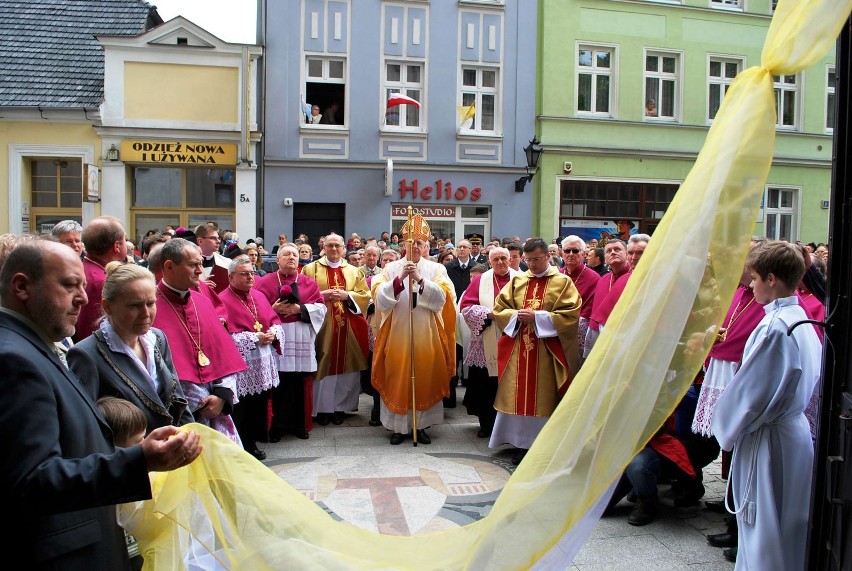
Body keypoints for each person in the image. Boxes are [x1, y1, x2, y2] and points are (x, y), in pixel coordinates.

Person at [0, 239, 201, 569]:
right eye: (69, 285)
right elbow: (32, 480)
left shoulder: (30, 346)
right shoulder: (13, 358)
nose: (82, 296)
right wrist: (137, 459)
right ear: (22, 286)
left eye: (82, 285)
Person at [712, 240, 822, 571]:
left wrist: (725, 428)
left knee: (763, 530)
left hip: (769, 440)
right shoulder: (798, 314)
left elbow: (750, 395)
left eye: (755, 277)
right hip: (791, 434)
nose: (751, 284)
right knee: (788, 524)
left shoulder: (775, 327)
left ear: (772, 279)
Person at [68, 262, 194, 432]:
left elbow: (177, 398)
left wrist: (191, 437)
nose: (146, 313)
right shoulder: (86, 354)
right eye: (134, 305)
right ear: (107, 306)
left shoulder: (157, 338)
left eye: (150, 303)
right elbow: (87, 426)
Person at [489, 238, 581, 464]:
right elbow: (500, 308)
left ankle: (543, 444)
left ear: (548, 256)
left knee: (543, 396)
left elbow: (571, 314)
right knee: (517, 394)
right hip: (520, 348)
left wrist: (538, 317)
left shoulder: (563, 282)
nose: (532, 264)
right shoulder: (518, 280)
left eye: (537, 259)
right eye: (528, 260)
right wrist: (515, 316)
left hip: (546, 351)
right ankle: (519, 441)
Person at [371, 214, 457, 445]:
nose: (415, 247)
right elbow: (379, 297)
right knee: (398, 376)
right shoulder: (390, 268)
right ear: (403, 245)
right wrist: (400, 279)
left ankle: (423, 425)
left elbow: (445, 298)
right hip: (397, 332)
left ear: (427, 246)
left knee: (425, 375)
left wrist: (419, 279)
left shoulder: (437, 269)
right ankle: (398, 428)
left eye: (420, 243)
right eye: (411, 243)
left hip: (426, 334)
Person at [152, 238, 247, 444]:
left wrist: (222, 396)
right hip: (177, 421)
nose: (199, 270)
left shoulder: (203, 301)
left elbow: (224, 356)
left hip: (216, 413)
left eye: (200, 264)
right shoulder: (150, 308)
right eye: (193, 265)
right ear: (169, 266)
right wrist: (198, 402)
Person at [257, 243, 327, 440]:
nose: (291, 257)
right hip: (276, 338)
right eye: (286, 254)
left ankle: (300, 425)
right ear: (277, 260)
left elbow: (321, 309)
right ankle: (276, 426)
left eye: (295, 255)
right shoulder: (264, 282)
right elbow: (255, 310)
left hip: (301, 336)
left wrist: (300, 309)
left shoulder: (308, 283)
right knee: (278, 383)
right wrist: (273, 309)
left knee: (300, 383)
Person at [301, 233, 370, 425]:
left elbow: (365, 295)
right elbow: (302, 295)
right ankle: (323, 410)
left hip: (349, 326)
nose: (333, 249)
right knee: (324, 362)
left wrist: (347, 295)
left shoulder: (354, 271)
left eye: (337, 246)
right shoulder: (310, 269)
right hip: (323, 326)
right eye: (330, 245)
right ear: (323, 247)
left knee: (347, 366)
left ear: (343, 249)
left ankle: (341, 408)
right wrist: (322, 295)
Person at [220, 256, 284, 460]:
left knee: (258, 404)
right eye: (244, 274)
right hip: (242, 365)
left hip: (263, 360)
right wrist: (255, 337)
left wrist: (273, 333)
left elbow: (274, 321)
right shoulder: (222, 299)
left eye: (252, 273)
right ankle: (242, 444)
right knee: (243, 407)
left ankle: (253, 441)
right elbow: (224, 336)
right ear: (231, 277)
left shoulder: (259, 296)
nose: (250, 277)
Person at [459, 247, 519, 438]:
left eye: (504, 258)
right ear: (489, 262)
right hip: (486, 341)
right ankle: (486, 424)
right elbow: (466, 307)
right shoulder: (481, 280)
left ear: (510, 259)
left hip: (514, 338)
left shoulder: (522, 278)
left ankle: (511, 425)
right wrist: (488, 314)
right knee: (486, 385)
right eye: (496, 259)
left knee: (510, 384)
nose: (500, 262)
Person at [75, 216, 128, 342]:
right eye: (125, 239)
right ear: (117, 246)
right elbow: (93, 331)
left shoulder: (84, 268)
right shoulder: (102, 282)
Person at [560, 235, 600, 362]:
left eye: (575, 251)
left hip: (578, 334)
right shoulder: (556, 275)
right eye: (567, 251)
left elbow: (591, 309)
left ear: (583, 254)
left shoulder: (594, 278)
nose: (571, 254)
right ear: (562, 253)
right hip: (555, 329)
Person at [194, 223, 230, 292]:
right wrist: (200, 286)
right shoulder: (187, 262)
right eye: (213, 238)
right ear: (200, 241)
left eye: (218, 238)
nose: (218, 241)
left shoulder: (227, 262)